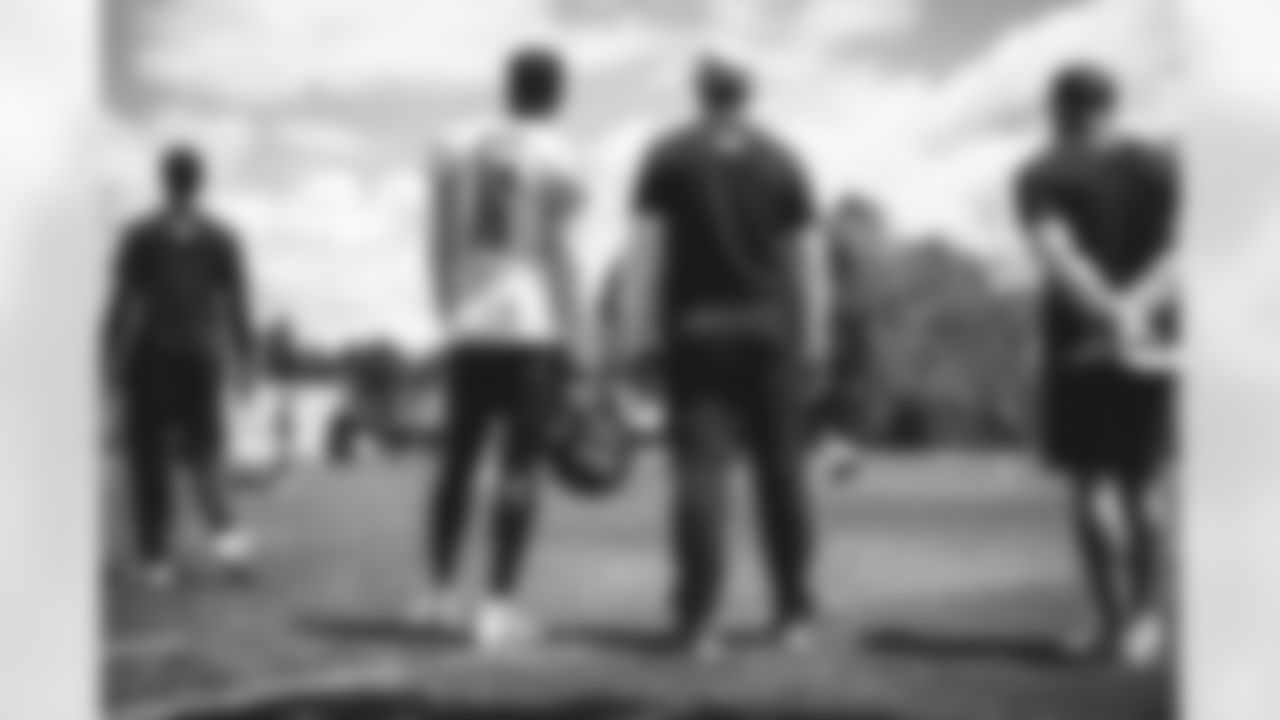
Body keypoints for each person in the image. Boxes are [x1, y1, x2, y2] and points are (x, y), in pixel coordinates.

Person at [617, 52, 831, 659]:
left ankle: (700, 622)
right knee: (783, 475)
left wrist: (636, 338)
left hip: (695, 335)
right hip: (771, 335)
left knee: (700, 475)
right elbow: (810, 263)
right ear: (749, 92)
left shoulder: (668, 157)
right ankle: (793, 616)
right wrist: (817, 342)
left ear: (699, 91)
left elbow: (644, 254)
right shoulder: (783, 159)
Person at [416, 46, 589, 650]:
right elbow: (561, 251)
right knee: (519, 466)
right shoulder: (558, 152)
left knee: (457, 462)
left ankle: (439, 595)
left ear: (507, 86)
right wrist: (578, 330)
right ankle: (497, 607)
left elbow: (437, 236)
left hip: (470, 324)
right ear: (557, 93)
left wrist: (447, 309)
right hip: (528, 325)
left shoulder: (455, 142)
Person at [1015, 64, 1179, 667]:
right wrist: (1137, 309)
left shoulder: (1042, 172)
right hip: (1156, 338)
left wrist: (1110, 312)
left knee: (1093, 483)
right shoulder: (1162, 165)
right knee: (1145, 483)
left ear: (1058, 108)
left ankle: (1111, 625)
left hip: (1080, 340)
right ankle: (1146, 624)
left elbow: (1057, 254)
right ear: (1114, 105)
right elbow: (1185, 250)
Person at [103, 145, 258, 590]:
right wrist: (245, 364)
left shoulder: (143, 234)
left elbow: (121, 304)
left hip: (160, 356)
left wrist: (107, 362)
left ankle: (158, 560)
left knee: (153, 461)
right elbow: (238, 308)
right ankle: (228, 550)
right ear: (199, 182)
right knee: (200, 457)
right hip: (192, 356)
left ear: (163, 180)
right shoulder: (217, 237)